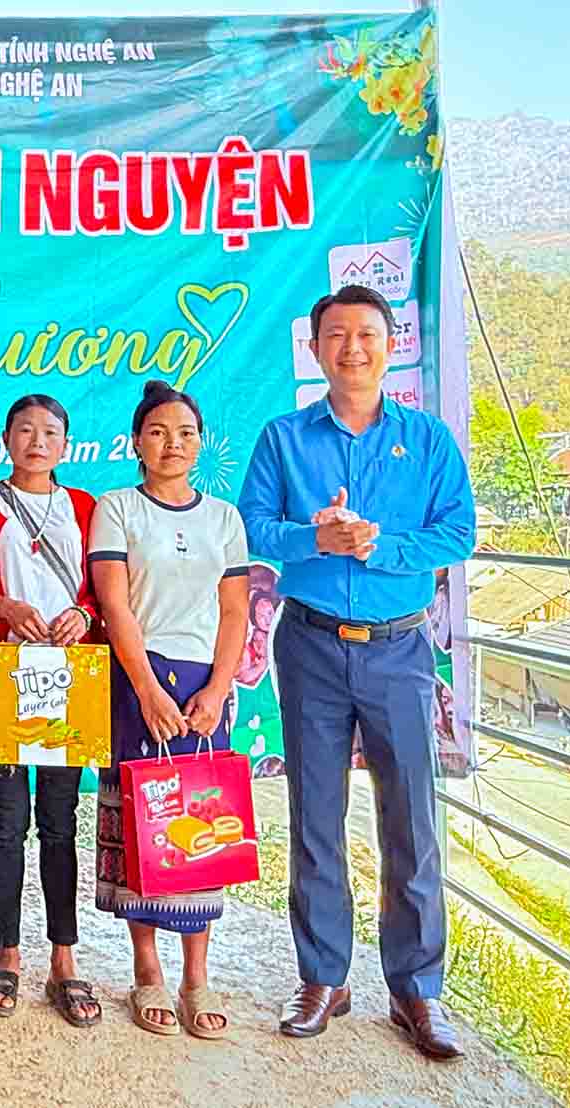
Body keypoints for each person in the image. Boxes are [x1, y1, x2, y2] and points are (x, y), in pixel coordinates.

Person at [239, 284, 475, 1061]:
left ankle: (417, 988)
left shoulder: (428, 440)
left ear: (389, 342)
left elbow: (457, 532)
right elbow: (255, 528)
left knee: (411, 819)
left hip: (402, 650)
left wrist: (380, 547)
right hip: (309, 645)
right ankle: (323, 979)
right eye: (336, 335)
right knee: (314, 815)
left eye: (367, 334)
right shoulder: (284, 438)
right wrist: (319, 537)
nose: (352, 348)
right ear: (315, 348)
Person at [88, 379, 251, 1040]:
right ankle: (147, 970)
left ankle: (196, 977)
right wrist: (149, 690)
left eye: (185, 433)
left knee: (203, 827)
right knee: (142, 825)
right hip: (137, 680)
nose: (172, 444)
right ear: (137, 442)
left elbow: (237, 609)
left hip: (207, 689)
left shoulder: (224, 519)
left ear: (200, 442)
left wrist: (216, 689)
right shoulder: (118, 508)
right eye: (158, 432)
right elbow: (114, 605)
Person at [0, 394, 103, 1026]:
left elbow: (104, 587)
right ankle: (9, 953)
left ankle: (64, 958)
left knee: (60, 819)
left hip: (68, 679)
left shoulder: (86, 508)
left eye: (50, 432)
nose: (37, 441)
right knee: (6, 820)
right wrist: (2, 608)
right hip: (6, 673)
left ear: (65, 445)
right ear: (6, 439)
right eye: (25, 430)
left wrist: (86, 614)